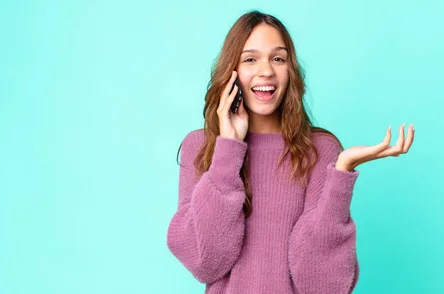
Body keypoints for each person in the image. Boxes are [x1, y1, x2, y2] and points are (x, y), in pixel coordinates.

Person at [166, 10, 415, 294]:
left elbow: (323, 285)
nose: (266, 71)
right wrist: (228, 150)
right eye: (250, 59)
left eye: (278, 58)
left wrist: (342, 173)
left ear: (290, 70)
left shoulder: (320, 151)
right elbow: (205, 262)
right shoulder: (201, 147)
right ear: (231, 71)